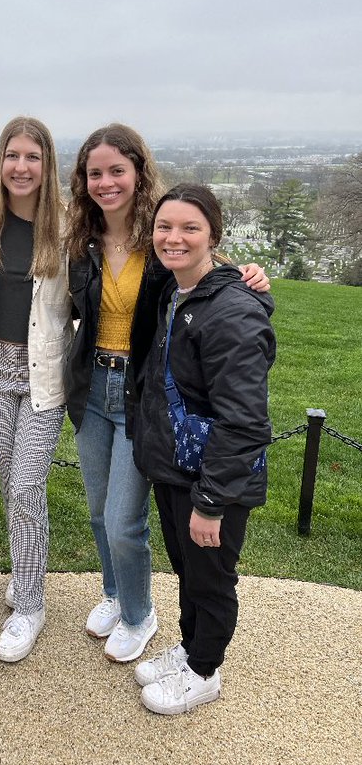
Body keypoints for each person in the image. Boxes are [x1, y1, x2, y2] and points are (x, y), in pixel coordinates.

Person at [64, 124, 270, 666]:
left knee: (122, 520)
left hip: (142, 392)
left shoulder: (160, 237)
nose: (106, 182)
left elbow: (203, 277)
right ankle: (116, 592)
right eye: (95, 173)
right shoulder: (81, 241)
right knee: (97, 512)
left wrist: (247, 276)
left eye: (117, 170)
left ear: (138, 172)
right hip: (92, 388)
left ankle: (139, 614)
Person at [132, 184, 275, 715]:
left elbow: (244, 421)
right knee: (189, 571)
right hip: (178, 466)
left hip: (213, 478)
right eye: (165, 227)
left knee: (211, 580)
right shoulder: (179, 291)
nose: (174, 238)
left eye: (190, 228)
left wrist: (212, 502)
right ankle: (190, 648)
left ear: (213, 235)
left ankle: (204, 671)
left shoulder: (231, 312)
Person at [0, 116, 74, 663]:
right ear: (0, 161)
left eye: (33, 156)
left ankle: (30, 605)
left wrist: (229, 269)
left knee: (27, 488)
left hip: (42, 375)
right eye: (13, 155)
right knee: (12, 488)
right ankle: (26, 573)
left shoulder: (69, 224)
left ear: (47, 163)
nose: (22, 167)